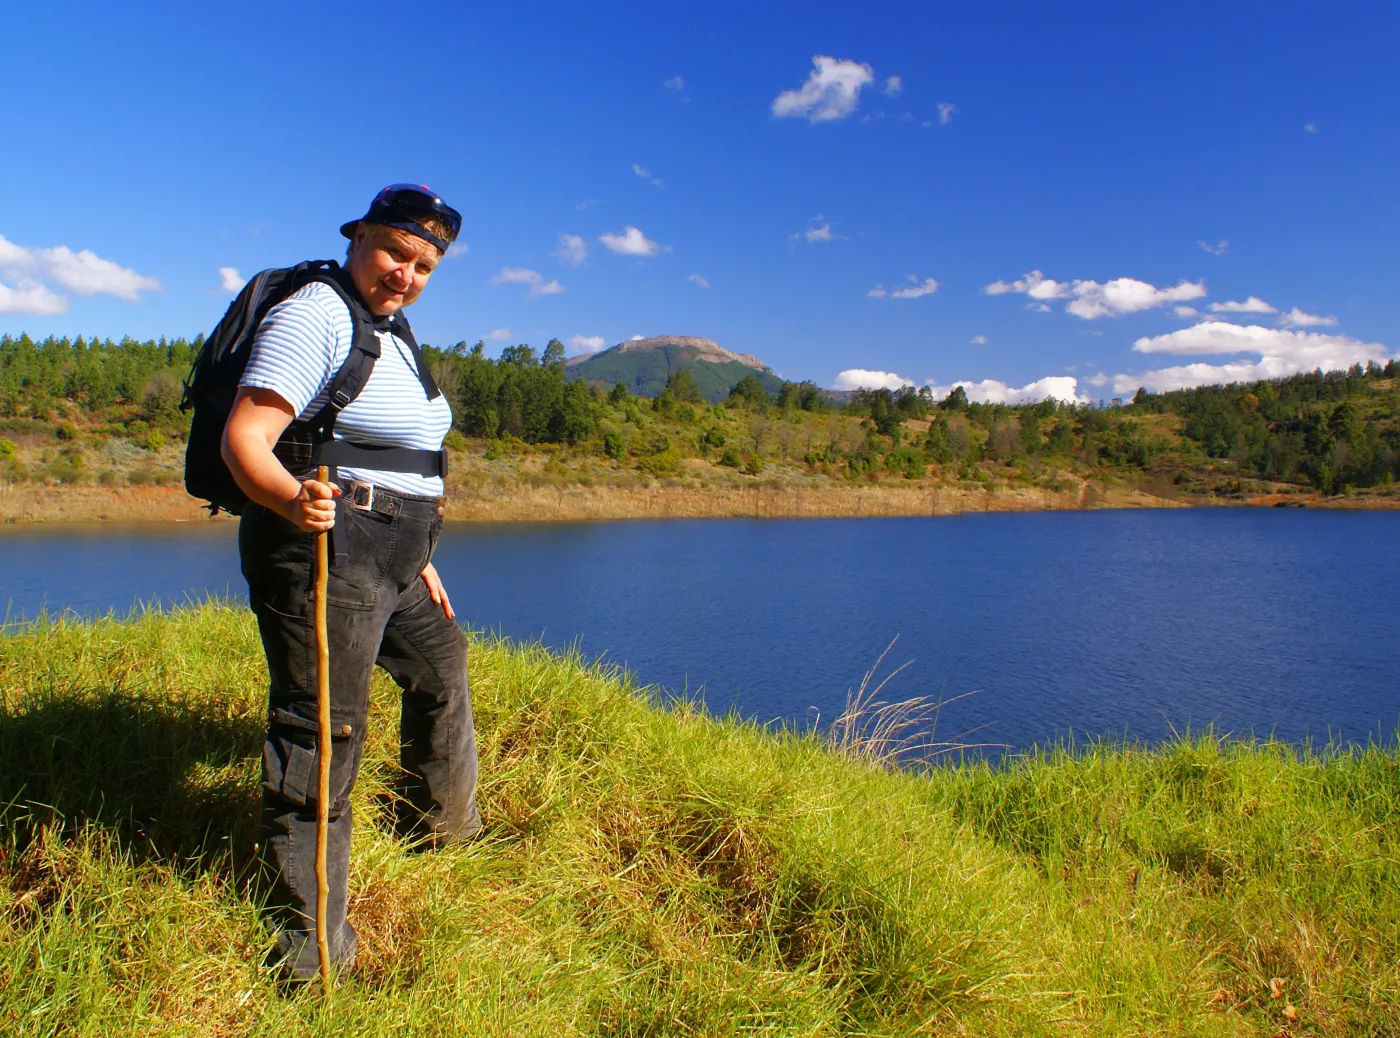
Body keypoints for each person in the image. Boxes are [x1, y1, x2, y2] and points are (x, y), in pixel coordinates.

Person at [221, 184, 480, 981]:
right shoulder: (319, 314)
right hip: (328, 549)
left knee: (440, 668)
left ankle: (446, 834)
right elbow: (246, 439)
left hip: (393, 554)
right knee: (324, 731)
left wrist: (416, 550)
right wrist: (291, 498)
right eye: (396, 252)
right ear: (359, 236)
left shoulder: (389, 331)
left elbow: (392, 455)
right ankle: (310, 953)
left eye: (425, 265)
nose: (407, 273)